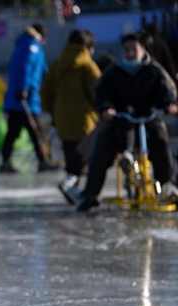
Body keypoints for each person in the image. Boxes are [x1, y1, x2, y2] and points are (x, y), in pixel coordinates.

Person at [76, 33, 178, 212]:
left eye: (134, 49)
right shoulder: (114, 72)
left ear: (143, 50)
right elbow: (102, 92)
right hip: (121, 119)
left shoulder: (154, 70)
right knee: (102, 150)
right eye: (126, 49)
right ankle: (90, 194)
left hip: (149, 118)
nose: (130, 53)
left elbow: (166, 90)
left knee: (162, 143)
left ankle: (168, 185)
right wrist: (107, 108)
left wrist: (169, 104)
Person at [40, 29, 101, 205]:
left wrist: (53, 112)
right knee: (86, 158)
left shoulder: (57, 65)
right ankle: (72, 186)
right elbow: (98, 91)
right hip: (85, 121)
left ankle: (74, 188)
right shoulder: (88, 66)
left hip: (62, 120)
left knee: (71, 155)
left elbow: (45, 90)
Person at [0, 24, 58, 174]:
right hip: (26, 100)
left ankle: (5, 161)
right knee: (35, 132)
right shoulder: (32, 47)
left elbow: (43, 71)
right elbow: (25, 68)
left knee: (13, 133)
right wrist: (23, 89)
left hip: (16, 100)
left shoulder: (24, 45)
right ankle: (42, 161)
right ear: (41, 36)